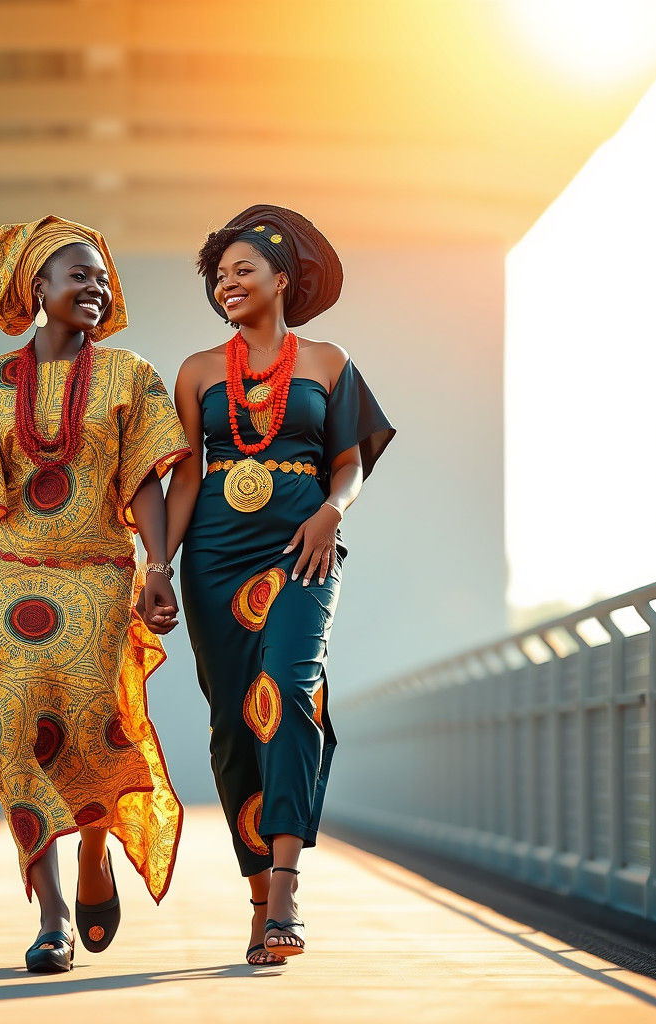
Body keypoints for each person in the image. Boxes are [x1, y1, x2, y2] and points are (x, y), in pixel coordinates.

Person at [0, 215, 189, 973]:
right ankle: (52, 913)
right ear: (38, 288)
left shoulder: (130, 375)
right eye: (80, 275)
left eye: (104, 277)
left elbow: (142, 483)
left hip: (102, 569)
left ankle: (95, 854)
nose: (97, 287)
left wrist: (158, 569)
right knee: (8, 722)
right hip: (11, 571)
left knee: (90, 719)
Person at [163, 204, 396, 966]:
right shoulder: (197, 371)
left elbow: (352, 459)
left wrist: (333, 511)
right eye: (220, 275)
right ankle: (259, 898)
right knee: (233, 722)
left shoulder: (328, 361)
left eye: (243, 270)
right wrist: (157, 564)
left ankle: (289, 890)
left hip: (303, 548)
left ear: (282, 280)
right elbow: (187, 479)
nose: (228, 283)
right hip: (214, 558)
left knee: (290, 691)